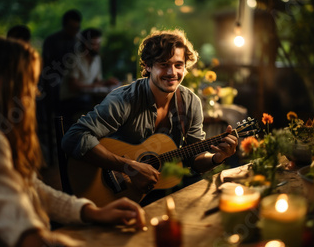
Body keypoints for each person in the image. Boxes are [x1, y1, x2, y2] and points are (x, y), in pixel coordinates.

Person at [0, 37, 145, 247]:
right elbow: (26, 235)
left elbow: (31, 188)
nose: (36, 92)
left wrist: (92, 212)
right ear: (3, 84)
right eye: (29, 83)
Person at [61, 29, 238, 202]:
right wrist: (128, 166)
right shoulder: (124, 99)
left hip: (162, 189)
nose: (172, 73)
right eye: (164, 64)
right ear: (147, 65)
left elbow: (195, 160)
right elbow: (74, 137)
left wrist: (217, 157)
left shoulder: (191, 102)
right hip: (116, 193)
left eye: (178, 65)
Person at [38, 9, 82, 160]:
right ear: (64, 26)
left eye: (76, 28)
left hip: (71, 85)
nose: (74, 31)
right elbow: (46, 68)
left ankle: (70, 148)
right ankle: (56, 151)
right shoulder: (52, 40)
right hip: (54, 84)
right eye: (71, 28)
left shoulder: (77, 41)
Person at [59, 28, 120, 124]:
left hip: (86, 97)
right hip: (71, 100)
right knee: (99, 106)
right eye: (95, 44)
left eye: (99, 43)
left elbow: (97, 82)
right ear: (86, 44)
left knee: (108, 102)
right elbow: (73, 86)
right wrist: (95, 85)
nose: (98, 47)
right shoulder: (75, 59)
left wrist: (106, 82)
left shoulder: (96, 59)